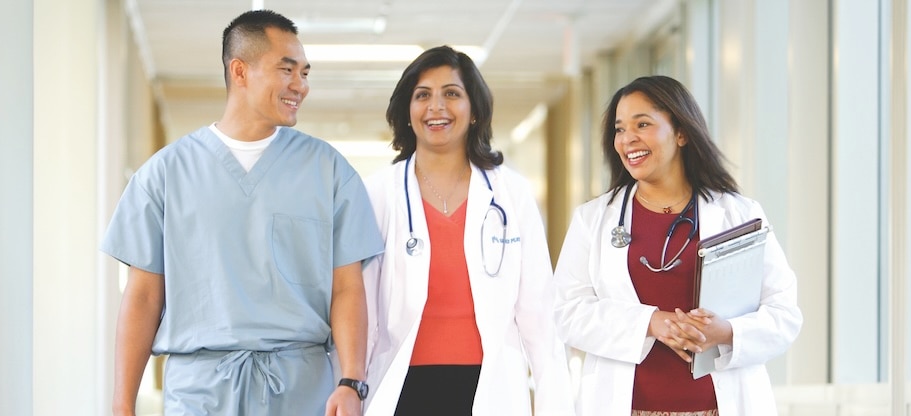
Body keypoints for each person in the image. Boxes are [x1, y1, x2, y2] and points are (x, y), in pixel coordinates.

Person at [101, 10, 382, 416]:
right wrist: (122, 403)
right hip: (201, 393)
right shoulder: (165, 174)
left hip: (300, 390)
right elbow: (143, 296)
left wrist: (351, 381)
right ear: (240, 71)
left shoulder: (329, 171)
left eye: (305, 73)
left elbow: (347, 288)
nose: (300, 86)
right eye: (287, 70)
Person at [553, 75, 802, 416]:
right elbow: (566, 312)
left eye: (643, 124)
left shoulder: (739, 214)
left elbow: (785, 313)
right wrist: (651, 322)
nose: (628, 139)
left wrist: (726, 331)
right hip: (625, 406)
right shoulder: (593, 220)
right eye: (620, 128)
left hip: (720, 406)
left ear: (682, 133)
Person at [361, 46, 574, 415]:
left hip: (490, 387)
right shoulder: (379, 193)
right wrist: (349, 384)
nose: (436, 107)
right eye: (422, 95)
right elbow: (361, 309)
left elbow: (539, 314)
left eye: (452, 94)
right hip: (401, 385)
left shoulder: (511, 193)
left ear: (474, 110)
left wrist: (555, 404)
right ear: (406, 111)